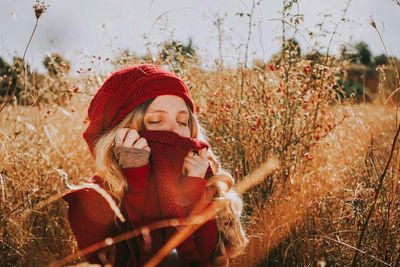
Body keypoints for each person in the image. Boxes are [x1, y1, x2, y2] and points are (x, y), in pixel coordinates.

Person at [63, 64, 247, 266]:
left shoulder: (203, 181)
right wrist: (139, 183)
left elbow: (208, 260)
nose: (174, 132)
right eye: (156, 121)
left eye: (183, 121)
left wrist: (193, 191)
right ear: (121, 133)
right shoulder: (90, 203)